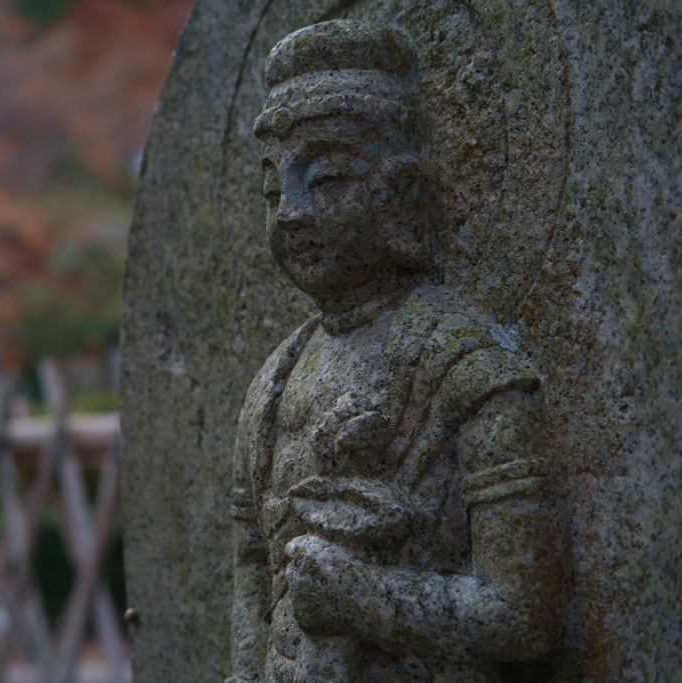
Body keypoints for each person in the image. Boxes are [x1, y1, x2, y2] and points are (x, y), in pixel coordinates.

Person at [227, 19, 568, 683]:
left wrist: (366, 599)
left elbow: (525, 613)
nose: (290, 212)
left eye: (325, 180)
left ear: (405, 192)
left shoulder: (466, 368)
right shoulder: (274, 382)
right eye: (274, 189)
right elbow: (251, 587)